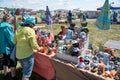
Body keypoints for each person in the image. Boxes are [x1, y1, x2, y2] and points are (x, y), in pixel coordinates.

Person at [13, 16, 40, 80]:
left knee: (24, 70)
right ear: (32, 24)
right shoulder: (30, 30)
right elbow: (34, 45)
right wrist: (39, 48)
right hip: (27, 55)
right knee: (26, 75)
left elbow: (14, 41)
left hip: (19, 55)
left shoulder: (19, 29)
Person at [0, 14, 18, 80]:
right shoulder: (7, 27)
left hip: (1, 48)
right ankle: (13, 77)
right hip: (8, 48)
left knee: (5, 62)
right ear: (8, 19)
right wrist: (15, 44)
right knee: (12, 62)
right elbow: (11, 39)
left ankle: (5, 75)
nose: (11, 20)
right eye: (10, 19)